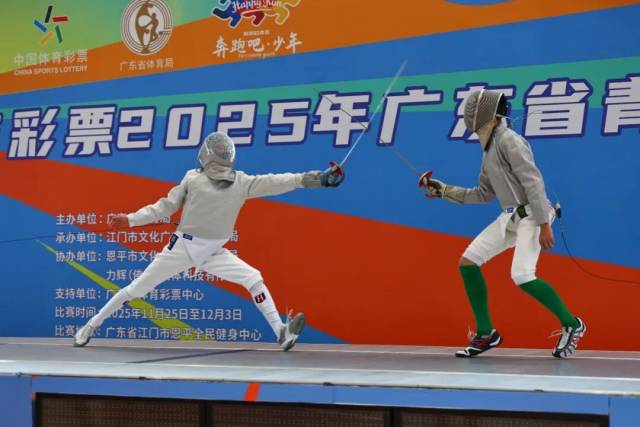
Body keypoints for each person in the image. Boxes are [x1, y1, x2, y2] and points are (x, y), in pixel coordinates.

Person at [74, 131, 344, 350]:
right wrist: (131, 220)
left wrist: (318, 179)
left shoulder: (240, 182)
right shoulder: (194, 178)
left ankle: (281, 333)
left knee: (253, 278)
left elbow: (278, 181)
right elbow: (165, 206)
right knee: (136, 289)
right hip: (182, 248)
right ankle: (91, 325)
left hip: (212, 252)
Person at [420, 89, 585, 358]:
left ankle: (572, 324)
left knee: (522, 275)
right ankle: (486, 333)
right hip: (510, 216)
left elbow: (533, 181)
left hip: (532, 215)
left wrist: (544, 224)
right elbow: (483, 194)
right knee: (468, 262)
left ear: (487, 116)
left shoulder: (509, 140)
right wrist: (444, 191)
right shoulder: (488, 149)